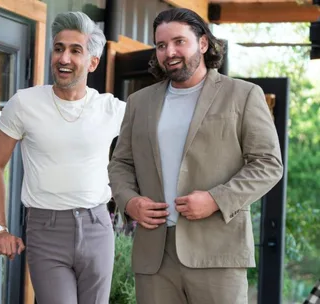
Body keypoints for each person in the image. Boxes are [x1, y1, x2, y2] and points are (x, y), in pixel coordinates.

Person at [108, 7, 283, 304]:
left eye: (179, 42)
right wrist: (130, 201)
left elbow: (268, 164)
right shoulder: (139, 102)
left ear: (203, 43)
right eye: (161, 45)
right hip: (155, 256)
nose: (169, 52)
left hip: (218, 253)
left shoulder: (243, 94)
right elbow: (121, 163)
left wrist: (216, 199)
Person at [0, 11, 125, 304]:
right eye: (59, 48)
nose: (64, 58)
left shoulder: (111, 108)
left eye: (76, 51)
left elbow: (152, 141)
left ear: (93, 62)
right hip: (46, 231)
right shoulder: (24, 103)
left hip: (98, 227)